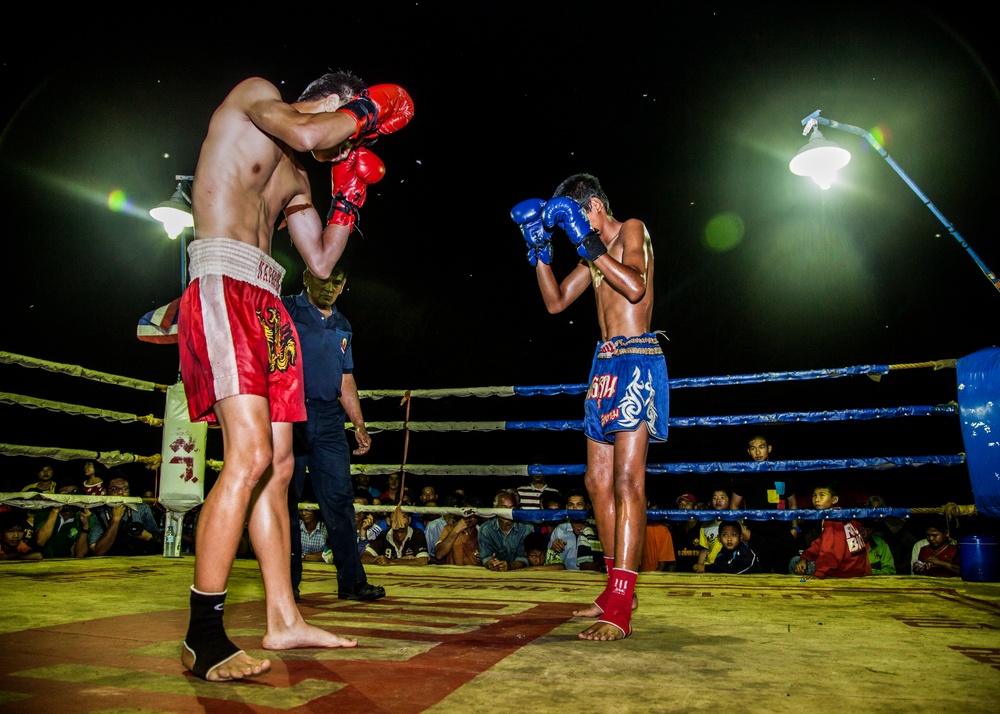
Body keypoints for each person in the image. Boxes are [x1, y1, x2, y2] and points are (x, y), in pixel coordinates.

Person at [176, 70, 413, 681]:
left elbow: (322, 259)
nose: (357, 144)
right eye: (355, 123)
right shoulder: (259, 99)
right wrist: (369, 109)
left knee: (280, 467)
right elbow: (308, 132)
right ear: (334, 97)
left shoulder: (302, 175)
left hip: (269, 300)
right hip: (223, 280)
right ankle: (203, 635)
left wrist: (350, 195)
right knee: (249, 456)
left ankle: (283, 618)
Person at [513, 173, 668, 641]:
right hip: (603, 366)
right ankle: (614, 587)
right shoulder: (592, 254)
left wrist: (587, 243)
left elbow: (637, 288)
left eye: (578, 219)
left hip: (638, 362)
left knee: (626, 480)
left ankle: (621, 605)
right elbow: (556, 302)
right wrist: (538, 250)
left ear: (596, 206)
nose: (575, 229)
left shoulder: (631, 230)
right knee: (596, 480)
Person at [282, 265, 384, 604]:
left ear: (344, 285)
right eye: (323, 279)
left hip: (328, 420)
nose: (329, 288)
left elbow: (345, 379)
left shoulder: (343, 324)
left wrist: (358, 423)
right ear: (306, 277)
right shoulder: (284, 308)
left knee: (340, 502)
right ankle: (286, 584)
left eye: (337, 282)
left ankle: (352, 582)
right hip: (290, 413)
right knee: (285, 502)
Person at [791, 483, 870, 579]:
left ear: (834, 500)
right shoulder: (842, 514)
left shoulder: (833, 520)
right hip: (856, 568)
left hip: (844, 570)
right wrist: (805, 557)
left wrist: (819, 574)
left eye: (822, 495)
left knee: (794, 562)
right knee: (801, 559)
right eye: (814, 495)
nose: (816, 499)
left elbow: (831, 552)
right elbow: (821, 543)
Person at [87, 477, 163, 556]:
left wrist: (148, 536)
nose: (120, 492)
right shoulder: (97, 513)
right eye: (114, 489)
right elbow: (97, 551)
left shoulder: (141, 508)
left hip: (138, 557)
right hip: (107, 561)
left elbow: (158, 539)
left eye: (125, 489)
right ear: (105, 491)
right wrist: (115, 520)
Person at [478, 489, 532, 571]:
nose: (507, 513)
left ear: (518, 508)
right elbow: (486, 557)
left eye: (512, 508)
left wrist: (510, 566)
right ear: (495, 508)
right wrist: (491, 564)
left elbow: (524, 558)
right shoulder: (485, 529)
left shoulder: (526, 528)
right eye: (503, 508)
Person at [32, 483, 90, 559]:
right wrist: (55, 510)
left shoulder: (84, 517)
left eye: (73, 494)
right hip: (38, 563)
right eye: (64, 494)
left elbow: (80, 555)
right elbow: (41, 541)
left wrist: (85, 526)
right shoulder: (44, 512)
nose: (69, 498)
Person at [547, 489, 598, 571]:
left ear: (587, 506)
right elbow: (549, 559)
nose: (575, 509)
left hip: (590, 578)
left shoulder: (595, 529)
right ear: (567, 507)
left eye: (579, 504)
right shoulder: (559, 530)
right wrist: (553, 549)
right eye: (571, 505)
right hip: (564, 579)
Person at [362, 511, 429, 566]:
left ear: (409, 520)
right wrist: (379, 560)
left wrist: (391, 562)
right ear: (388, 521)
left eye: (403, 517)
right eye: (396, 517)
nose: (400, 521)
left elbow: (422, 561)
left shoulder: (417, 534)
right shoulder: (384, 535)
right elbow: (364, 557)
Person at [693, 520, 762, 574]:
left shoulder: (745, 551)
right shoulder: (722, 553)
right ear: (719, 538)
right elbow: (719, 566)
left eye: (733, 535)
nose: (729, 539)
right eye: (725, 535)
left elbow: (733, 569)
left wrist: (706, 568)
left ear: (740, 537)